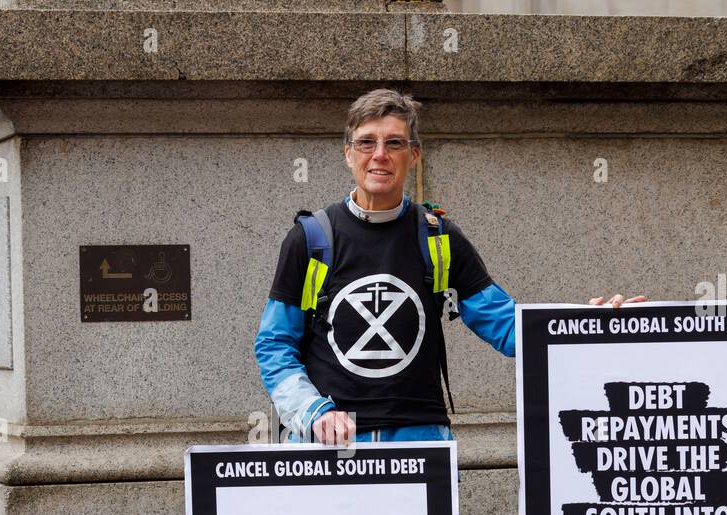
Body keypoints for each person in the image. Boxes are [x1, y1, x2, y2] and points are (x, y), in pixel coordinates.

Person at [255, 88, 644, 445]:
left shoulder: (438, 238)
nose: (379, 155)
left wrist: (592, 328)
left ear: (414, 154)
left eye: (394, 143)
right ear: (347, 153)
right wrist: (313, 412)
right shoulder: (310, 239)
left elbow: (509, 328)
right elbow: (274, 343)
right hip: (329, 442)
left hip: (419, 441)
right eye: (366, 143)